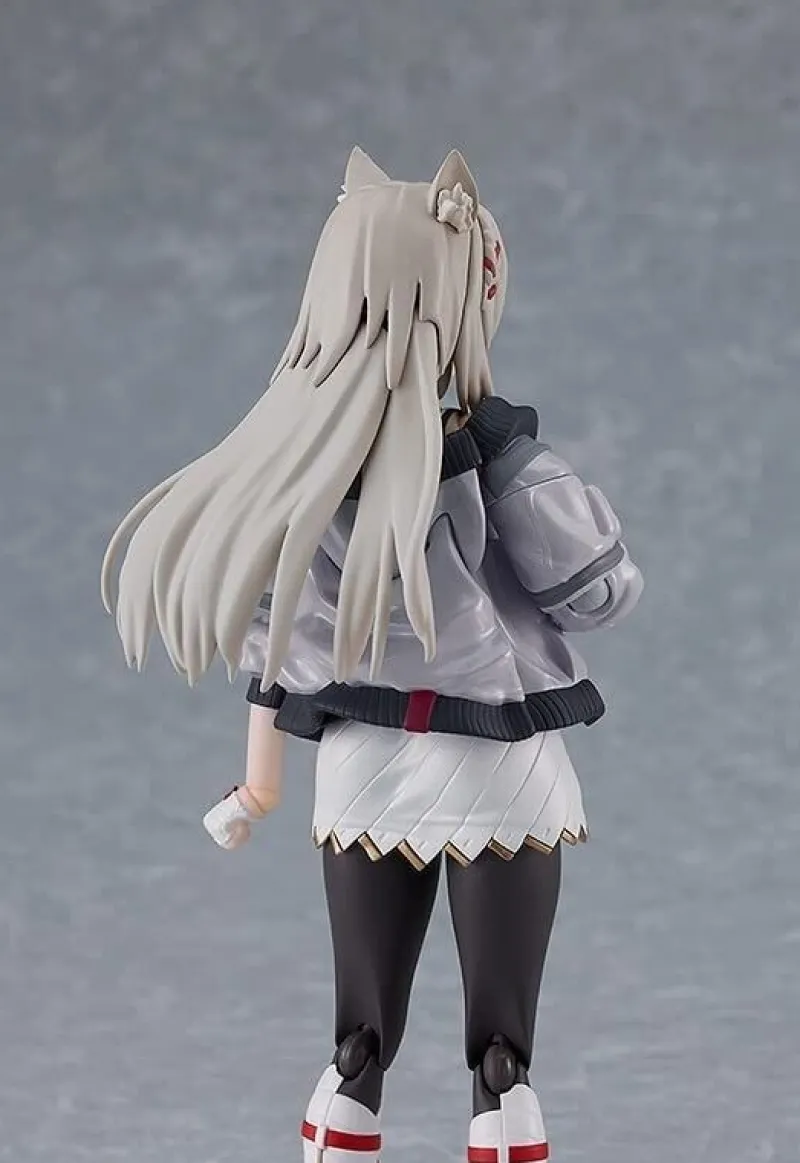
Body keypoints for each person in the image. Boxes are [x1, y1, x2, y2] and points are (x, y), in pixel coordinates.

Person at [101, 146, 643, 1163]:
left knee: (356, 1041)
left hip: (362, 768)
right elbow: (598, 592)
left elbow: (275, 649)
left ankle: (351, 1107)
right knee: (502, 1051)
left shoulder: (301, 474)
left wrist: (256, 787)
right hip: (499, 762)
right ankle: (500, 1106)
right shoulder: (491, 454)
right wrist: (530, 469)